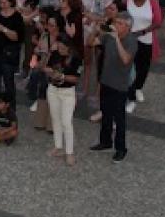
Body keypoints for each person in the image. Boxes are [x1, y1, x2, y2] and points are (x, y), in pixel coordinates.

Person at [89, 13, 134, 160]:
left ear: (128, 27)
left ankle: (121, 148)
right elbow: (91, 43)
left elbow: (126, 59)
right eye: (117, 22)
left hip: (119, 86)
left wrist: (117, 40)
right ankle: (105, 141)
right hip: (106, 81)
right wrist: (95, 29)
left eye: (121, 23)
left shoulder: (131, 41)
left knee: (119, 118)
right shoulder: (108, 36)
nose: (117, 25)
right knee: (105, 113)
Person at [44, 35, 81, 165]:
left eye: (62, 47)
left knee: (66, 122)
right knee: (56, 119)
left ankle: (69, 152)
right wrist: (50, 71)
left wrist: (62, 76)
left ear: (68, 47)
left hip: (67, 93)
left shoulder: (76, 58)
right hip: (53, 90)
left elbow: (76, 79)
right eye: (58, 46)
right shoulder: (54, 54)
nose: (59, 49)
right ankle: (58, 147)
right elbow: (46, 67)